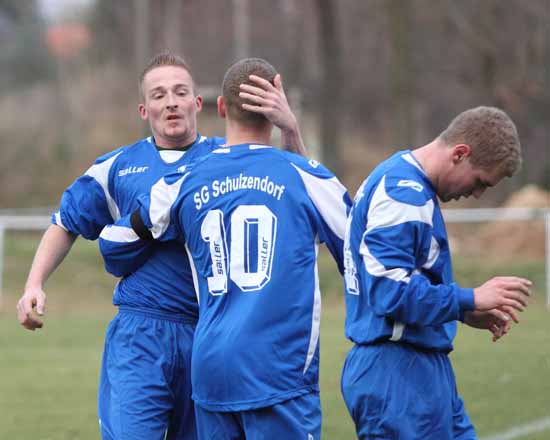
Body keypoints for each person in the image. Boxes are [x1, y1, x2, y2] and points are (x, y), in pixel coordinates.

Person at [16, 52, 307, 440]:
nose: (170, 101)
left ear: (197, 103)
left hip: (210, 336)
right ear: (144, 109)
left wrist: (290, 131)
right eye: (158, 94)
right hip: (141, 335)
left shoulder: (228, 160)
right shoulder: (119, 167)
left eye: (180, 91)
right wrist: (34, 283)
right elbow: (65, 222)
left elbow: (300, 187)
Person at [98, 58, 351, 440]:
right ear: (277, 108)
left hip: (212, 369)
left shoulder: (182, 181)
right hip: (277, 370)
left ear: (219, 107)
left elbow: (114, 245)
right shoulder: (305, 177)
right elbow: (361, 247)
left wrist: (152, 231)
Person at [340, 106, 532, 439]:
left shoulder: (406, 183)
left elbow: (407, 282)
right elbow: (388, 291)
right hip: (396, 375)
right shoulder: (404, 195)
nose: (476, 194)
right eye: (479, 182)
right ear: (460, 154)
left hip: (419, 370)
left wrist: (463, 311)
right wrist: (468, 297)